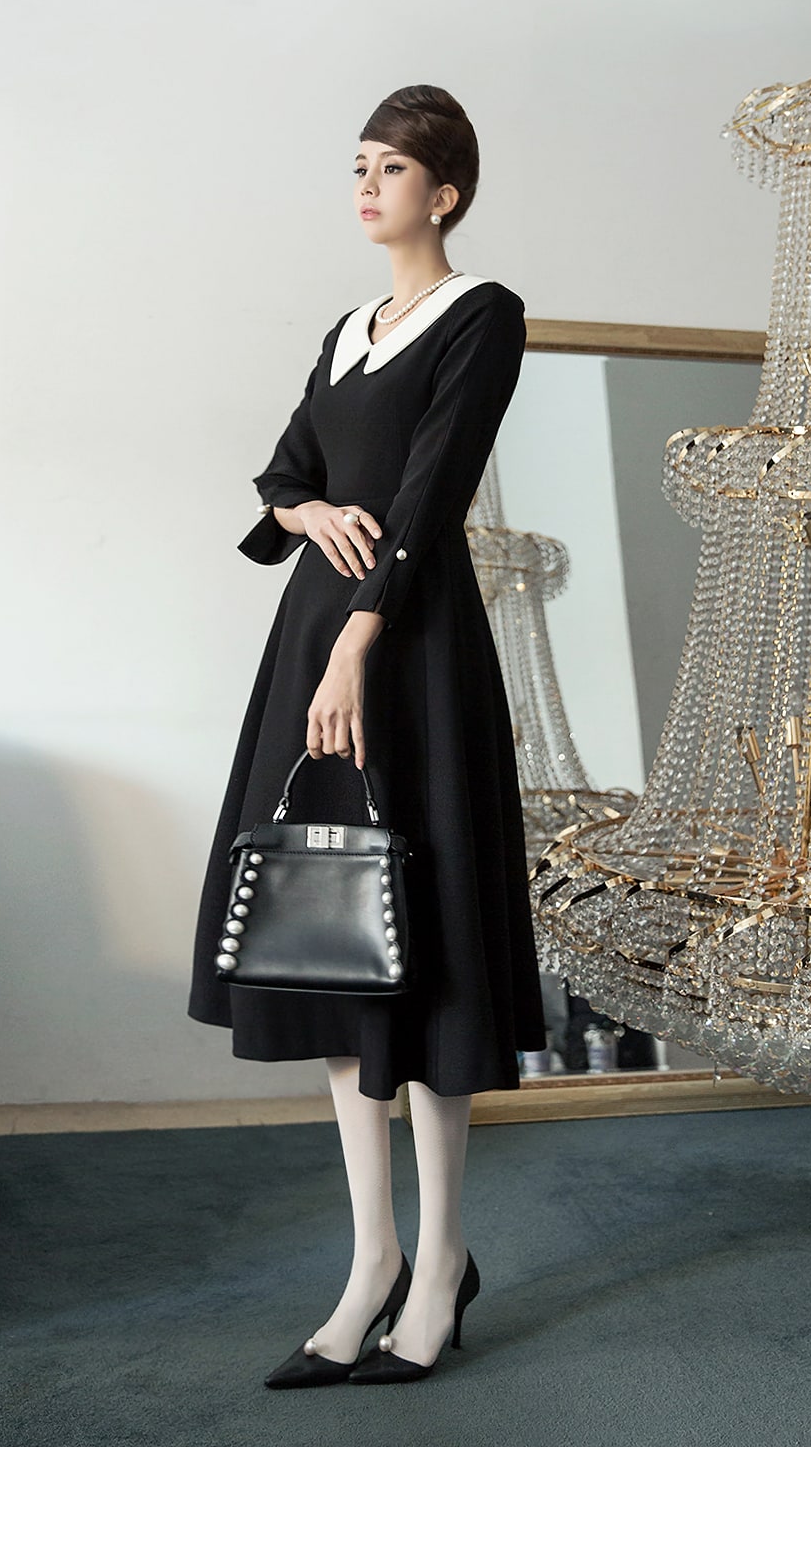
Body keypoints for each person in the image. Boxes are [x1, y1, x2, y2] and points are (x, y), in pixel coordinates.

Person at [188, 83, 548, 1385]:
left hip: (410, 649)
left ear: (444, 193)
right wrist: (306, 519)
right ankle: (371, 1264)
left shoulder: (484, 314)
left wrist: (358, 637)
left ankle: (439, 1262)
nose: (366, 186)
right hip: (315, 636)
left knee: (425, 947)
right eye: (358, 166)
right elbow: (285, 472)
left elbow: (433, 489)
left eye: (390, 169)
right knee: (332, 945)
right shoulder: (346, 330)